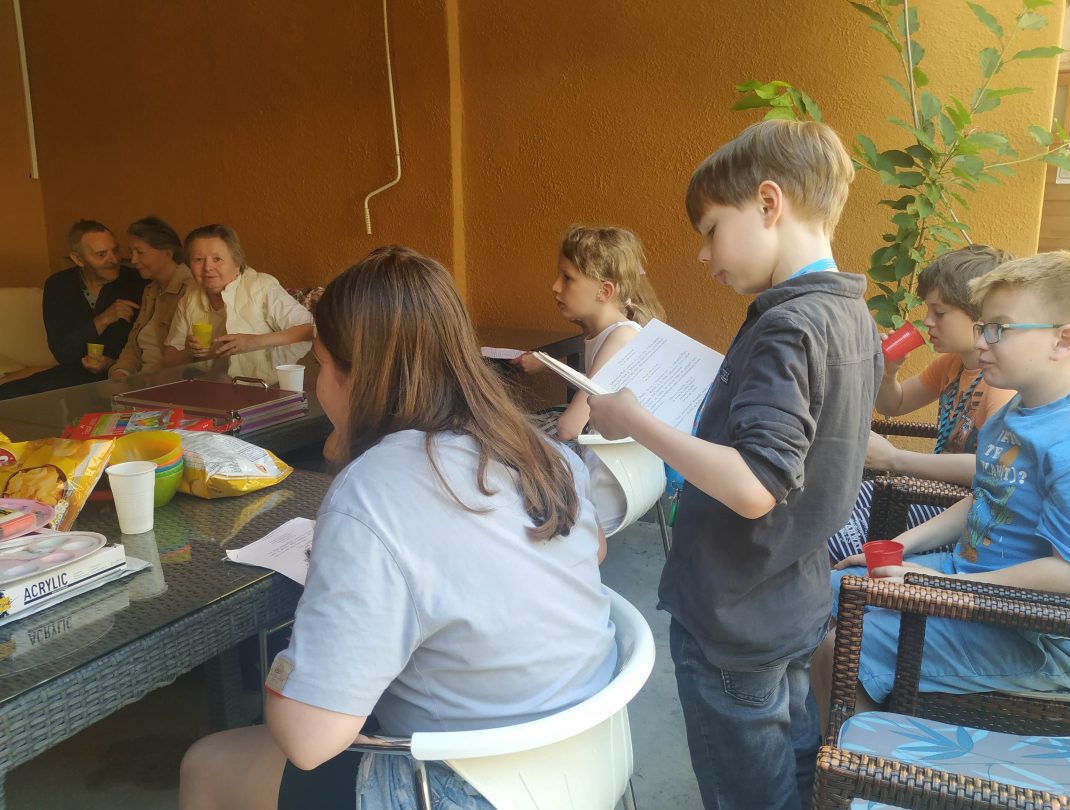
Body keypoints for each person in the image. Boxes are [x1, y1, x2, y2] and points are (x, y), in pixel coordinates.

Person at [178, 246, 616, 810]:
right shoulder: (539, 449)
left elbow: (308, 740)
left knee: (208, 764)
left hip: (474, 787)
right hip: (591, 754)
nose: (318, 383)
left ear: (356, 376)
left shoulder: (371, 490)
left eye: (320, 364)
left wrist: (294, 655)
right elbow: (594, 549)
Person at [585, 119, 881, 809]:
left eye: (712, 228)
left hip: (735, 620)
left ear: (769, 203)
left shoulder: (786, 326)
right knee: (795, 762)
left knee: (747, 791)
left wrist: (635, 422)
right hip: (793, 601)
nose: (702, 253)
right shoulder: (849, 315)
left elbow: (754, 486)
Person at [812, 250, 1070, 721]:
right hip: (966, 579)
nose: (982, 341)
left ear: (1063, 341)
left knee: (841, 650)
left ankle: (863, 762)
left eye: (999, 329)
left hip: (1038, 633)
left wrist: (940, 585)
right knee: (821, 592)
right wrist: (900, 546)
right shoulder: (1013, 413)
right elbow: (985, 497)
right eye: (982, 327)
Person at [827, 245, 1016, 562]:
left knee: (836, 537)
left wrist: (895, 459)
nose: (927, 321)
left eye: (939, 312)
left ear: (982, 315)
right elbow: (894, 404)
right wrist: (889, 373)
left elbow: (991, 470)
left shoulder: (1002, 384)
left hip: (960, 509)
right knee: (832, 504)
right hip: (929, 490)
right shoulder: (952, 365)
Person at [513, 225, 665, 533]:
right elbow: (600, 385)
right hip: (630, 475)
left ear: (604, 292)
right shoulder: (616, 331)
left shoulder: (620, 339)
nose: (555, 286)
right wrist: (547, 364)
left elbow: (569, 427)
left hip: (607, 491)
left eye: (567, 278)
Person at [0, 220, 146, 400]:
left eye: (115, 250)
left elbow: (146, 347)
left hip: (121, 375)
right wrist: (104, 319)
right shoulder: (59, 285)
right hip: (72, 373)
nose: (114, 260)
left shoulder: (136, 282)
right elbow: (62, 351)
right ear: (78, 259)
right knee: (8, 394)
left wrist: (113, 363)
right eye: (101, 254)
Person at [162, 224, 312, 369]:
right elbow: (169, 360)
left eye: (217, 259)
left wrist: (255, 342)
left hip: (265, 382)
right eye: (198, 259)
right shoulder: (190, 298)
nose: (207, 267)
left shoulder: (261, 287)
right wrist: (189, 351)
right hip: (210, 382)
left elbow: (310, 329)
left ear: (237, 262)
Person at [109, 216, 196, 379]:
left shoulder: (191, 290)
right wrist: (119, 372)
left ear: (167, 253)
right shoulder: (151, 290)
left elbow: (184, 357)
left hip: (166, 382)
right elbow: (133, 345)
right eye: (131, 252)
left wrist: (142, 382)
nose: (133, 260)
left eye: (140, 253)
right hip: (141, 380)